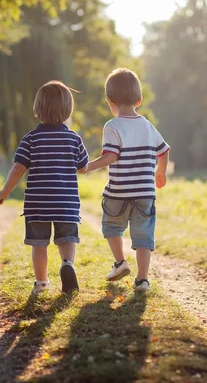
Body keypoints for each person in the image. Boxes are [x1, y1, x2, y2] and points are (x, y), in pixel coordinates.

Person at [0, 81, 89, 294]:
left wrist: (4, 192)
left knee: (39, 245)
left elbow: (19, 167)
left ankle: (42, 283)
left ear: (37, 109)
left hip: (38, 204)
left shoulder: (31, 138)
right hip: (66, 203)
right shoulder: (74, 139)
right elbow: (82, 167)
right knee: (66, 240)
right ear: (68, 110)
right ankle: (67, 264)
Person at [81, 68, 170, 292]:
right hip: (144, 193)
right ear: (139, 100)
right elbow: (164, 150)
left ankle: (120, 262)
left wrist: (88, 166)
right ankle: (142, 279)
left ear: (110, 102)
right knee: (143, 234)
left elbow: (111, 156)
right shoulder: (148, 126)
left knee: (112, 226)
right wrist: (161, 172)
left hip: (119, 192)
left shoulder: (112, 126)